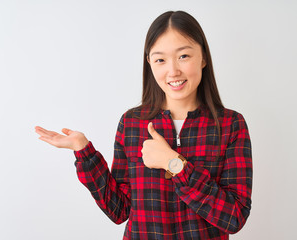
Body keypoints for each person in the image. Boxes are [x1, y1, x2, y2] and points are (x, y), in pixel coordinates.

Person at [35, 10, 253, 240]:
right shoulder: (132, 123)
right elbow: (119, 210)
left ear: (203, 57)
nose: (173, 71)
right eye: (160, 59)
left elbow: (234, 217)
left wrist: (173, 163)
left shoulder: (230, 125)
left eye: (183, 56)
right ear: (149, 63)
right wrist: (84, 152)